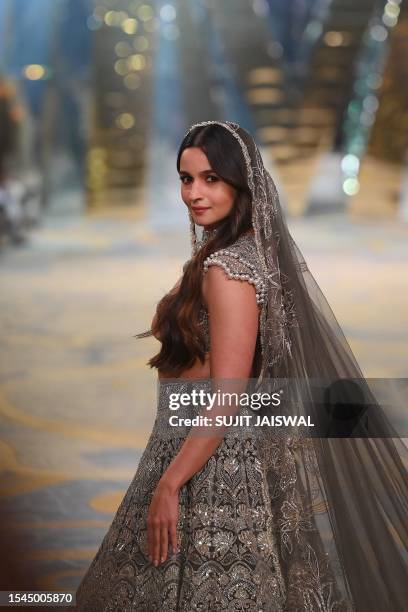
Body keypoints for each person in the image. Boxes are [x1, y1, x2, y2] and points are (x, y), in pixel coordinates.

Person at [69, 121, 407, 611]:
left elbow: (229, 395)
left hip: (207, 466)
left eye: (211, 179)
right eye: (186, 179)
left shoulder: (226, 270)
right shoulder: (247, 255)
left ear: (240, 183)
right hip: (212, 451)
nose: (194, 194)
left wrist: (169, 484)